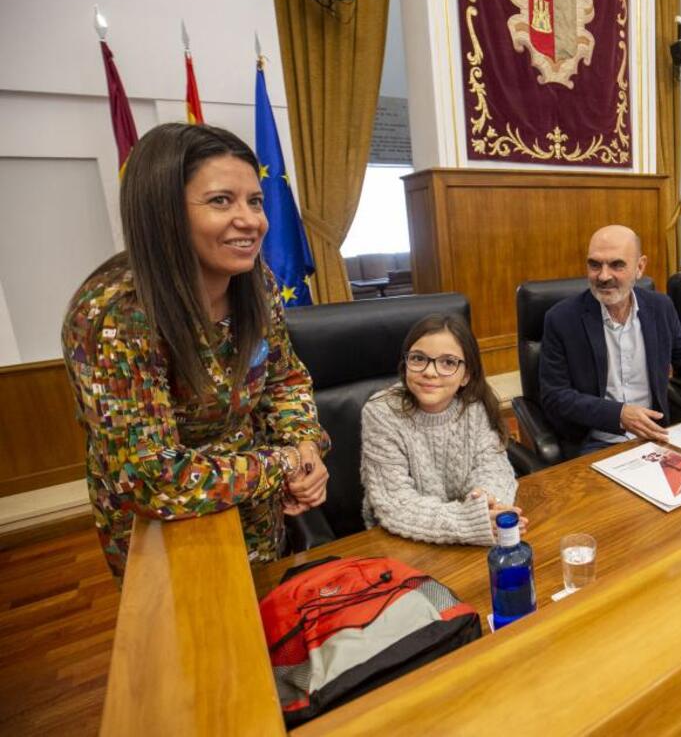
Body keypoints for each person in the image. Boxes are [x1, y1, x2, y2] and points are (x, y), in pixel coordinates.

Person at [61, 123, 329, 581]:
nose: (251, 220)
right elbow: (153, 479)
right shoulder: (115, 315)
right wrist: (280, 464)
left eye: (255, 200)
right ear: (163, 212)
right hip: (169, 537)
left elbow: (284, 380)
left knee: (268, 634)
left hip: (259, 516)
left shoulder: (258, 282)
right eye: (221, 200)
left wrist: (305, 445)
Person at [540, 225, 681, 456]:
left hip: (657, 436)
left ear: (640, 267)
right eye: (595, 265)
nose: (604, 276)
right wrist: (618, 414)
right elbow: (555, 396)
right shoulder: (561, 319)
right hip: (597, 443)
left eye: (617, 264)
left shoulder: (660, 308)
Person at [359, 314, 523, 545]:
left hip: (470, 532)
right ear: (405, 363)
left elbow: (494, 468)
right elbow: (395, 503)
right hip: (400, 539)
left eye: (448, 362)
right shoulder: (381, 412)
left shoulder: (474, 405)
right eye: (418, 359)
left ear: (466, 375)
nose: (430, 371)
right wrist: (469, 521)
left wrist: (486, 502)